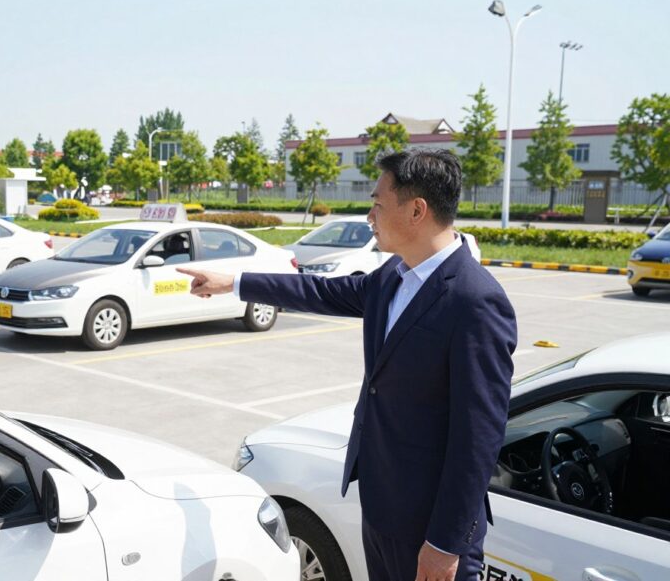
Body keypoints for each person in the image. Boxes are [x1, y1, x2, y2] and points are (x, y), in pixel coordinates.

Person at [178, 149, 517, 581]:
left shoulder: (475, 300)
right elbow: (320, 292)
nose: (369, 215)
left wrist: (445, 543)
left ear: (417, 210)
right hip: (380, 507)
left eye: (378, 203)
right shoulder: (393, 276)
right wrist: (236, 282)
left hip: (429, 529)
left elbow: (478, 440)